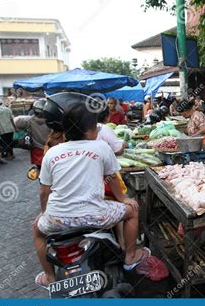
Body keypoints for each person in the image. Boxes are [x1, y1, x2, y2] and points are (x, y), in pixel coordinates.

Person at [33, 103, 148, 287]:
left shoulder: (52, 152)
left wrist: (44, 212)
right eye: (95, 126)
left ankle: (50, 277)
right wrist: (124, 200)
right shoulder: (101, 147)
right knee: (133, 211)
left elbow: (44, 191)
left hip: (57, 219)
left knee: (37, 231)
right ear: (88, 131)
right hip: (96, 216)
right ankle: (130, 256)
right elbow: (112, 179)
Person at [14, 99, 51, 169]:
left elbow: (16, 121)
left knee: (40, 169)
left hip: (36, 150)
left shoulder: (29, 120)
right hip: (50, 149)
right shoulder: (52, 121)